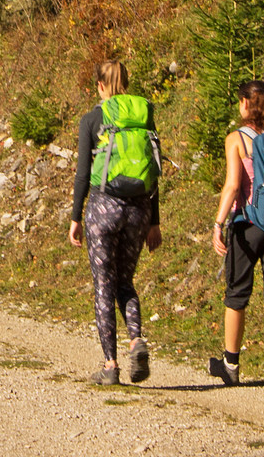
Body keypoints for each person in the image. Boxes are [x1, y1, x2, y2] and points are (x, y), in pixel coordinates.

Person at [69, 61, 162, 385]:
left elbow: (83, 173)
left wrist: (75, 216)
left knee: (104, 287)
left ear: (99, 86)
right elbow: (154, 167)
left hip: (103, 210)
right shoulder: (143, 115)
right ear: (127, 81)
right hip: (139, 210)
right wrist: (155, 221)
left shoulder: (93, 119)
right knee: (125, 282)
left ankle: (110, 366)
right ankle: (136, 339)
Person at [207, 80, 264, 396]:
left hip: (249, 223)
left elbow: (233, 184)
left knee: (237, 292)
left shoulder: (237, 139)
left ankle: (231, 365)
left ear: (246, 103)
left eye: (240, 101)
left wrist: (218, 222)